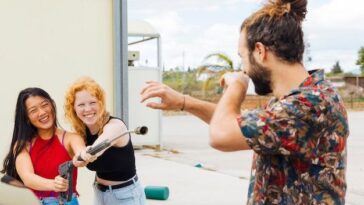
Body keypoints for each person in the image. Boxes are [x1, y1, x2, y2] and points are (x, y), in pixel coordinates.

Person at [140, 0, 349, 204]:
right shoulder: (298, 99)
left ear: (260, 51)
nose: (243, 68)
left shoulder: (310, 105)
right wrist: (184, 102)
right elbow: (239, 124)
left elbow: (221, 134)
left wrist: (237, 86)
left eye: (242, 57)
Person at [64, 77, 146, 205]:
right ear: (73, 108)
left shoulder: (115, 126)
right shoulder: (81, 132)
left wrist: (89, 152)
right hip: (99, 193)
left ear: (100, 103)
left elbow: (101, 144)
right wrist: (78, 158)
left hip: (126, 196)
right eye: (81, 104)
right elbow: (77, 156)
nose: (88, 109)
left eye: (92, 102)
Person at [1, 87, 86, 205]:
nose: (42, 112)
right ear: (27, 118)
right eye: (33, 110)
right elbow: (28, 178)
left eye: (44, 104)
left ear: (52, 105)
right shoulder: (22, 145)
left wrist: (83, 156)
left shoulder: (71, 138)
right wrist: (54, 184)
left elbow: (81, 152)